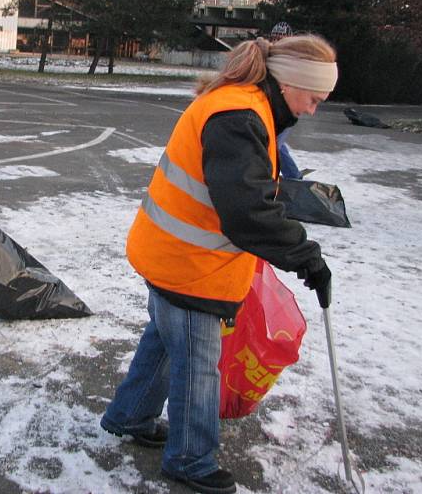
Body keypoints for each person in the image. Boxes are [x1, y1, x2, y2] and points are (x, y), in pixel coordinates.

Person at [100, 34, 337, 494]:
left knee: (167, 341)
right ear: (289, 84)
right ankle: (190, 460)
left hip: (174, 253)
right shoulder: (239, 116)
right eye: (313, 99)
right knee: (197, 364)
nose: (312, 110)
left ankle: (129, 416)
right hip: (189, 264)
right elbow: (245, 211)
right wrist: (305, 256)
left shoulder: (246, 106)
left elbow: (237, 190)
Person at [270, 22, 304, 179]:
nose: (277, 42)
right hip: (273, 109)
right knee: (276, 145)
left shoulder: (295, 60)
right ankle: (293, 175)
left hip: (289, 109)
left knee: (274, 145)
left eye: (281, 39)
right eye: (275, 38)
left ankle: (287, 177)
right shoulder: (270, 56)